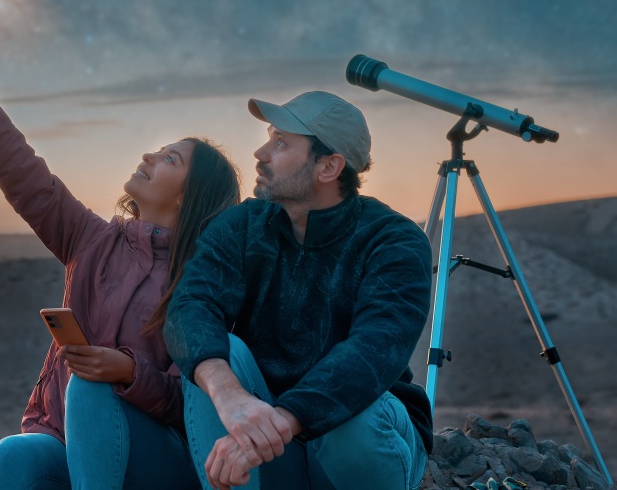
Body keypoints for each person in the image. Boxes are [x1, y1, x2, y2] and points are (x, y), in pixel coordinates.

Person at [0, 7, 238, 490]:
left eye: (169, 159)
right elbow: (20, 171)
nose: (148, 155)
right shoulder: (91, 239)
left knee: (90, 387)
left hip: (157, 457)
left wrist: (129, 372)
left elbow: (201, 398)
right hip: (61, 439)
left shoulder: (203, 280)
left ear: (190, 195)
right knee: (13, 454)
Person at [163, 91, 434, 490]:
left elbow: (372, 352)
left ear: (328, 166)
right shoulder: (243, 225)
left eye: (281, 143)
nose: (259, 152)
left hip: (362, 444)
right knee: (220, 352)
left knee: (350, 416)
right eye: (270, 137)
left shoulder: (393, 240)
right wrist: (231, 399)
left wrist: (283, 419)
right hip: (272, 441)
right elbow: (190, 305)